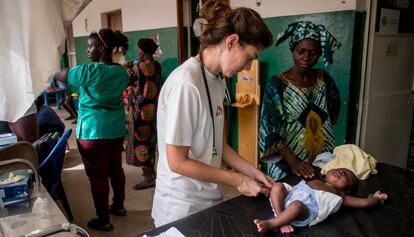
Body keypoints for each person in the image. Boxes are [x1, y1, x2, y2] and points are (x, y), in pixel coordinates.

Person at [152, 0, 274, 227]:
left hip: (209, 200)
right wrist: (236, 179)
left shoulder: (218, 79)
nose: (248, 67)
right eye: (250, 57)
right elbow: (177, 162)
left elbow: (216, 143)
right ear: (232, 41)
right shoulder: (186, 84)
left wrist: (251, 171)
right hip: (181, 207)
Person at [54, 28, 129, 232]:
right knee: (116, 170)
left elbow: (60, 75)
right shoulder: (122, 72)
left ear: (102, 47)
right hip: (114, 129)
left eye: (90, 46)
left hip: (93, 132)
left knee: (98, 177)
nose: (87, 50)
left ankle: (103, 220)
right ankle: (119, 206)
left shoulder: (89, 71)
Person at [259, 21, 342, 181]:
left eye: (313, 53)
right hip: (286, 163)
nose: (306, 57)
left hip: (321, 161)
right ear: (292, 50)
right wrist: (294, 162)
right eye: (301, 51)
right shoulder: (276, 85)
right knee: (289, 200)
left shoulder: (324, 80)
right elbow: (270, 130)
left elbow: (332, 113)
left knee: (322, 199)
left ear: (319, 54)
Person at [254, 168, 388, 233]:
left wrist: (376, 198)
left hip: (303, 211)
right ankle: (281, 216)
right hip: (286, 202)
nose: (341, 172)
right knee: (277, 186)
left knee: (296, 206)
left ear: (346, 191)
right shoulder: (318, 180)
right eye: (340, 169)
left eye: (346, 176)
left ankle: (272, 224)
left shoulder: (340, 196)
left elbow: (365, 203)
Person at [123, 38, 161, 190]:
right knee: (149, 143)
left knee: (139, 144)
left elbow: (131, 81)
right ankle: (152, 173)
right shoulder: (156, 65)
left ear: (145, 52)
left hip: (141, 112)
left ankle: (148, 177)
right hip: (152, 111)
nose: (137, 53)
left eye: (138, 51)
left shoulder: (142, 66)